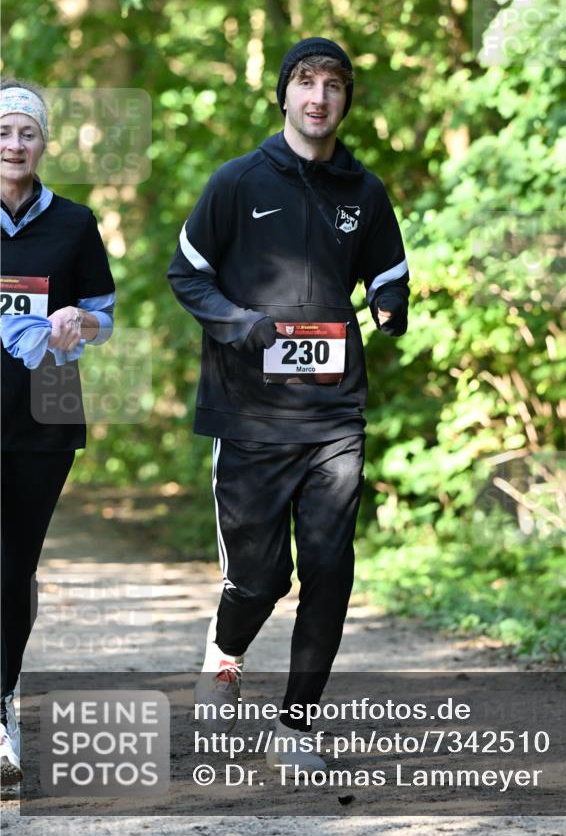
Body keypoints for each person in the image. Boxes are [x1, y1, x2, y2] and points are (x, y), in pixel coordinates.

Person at [168, 38, 408, 773]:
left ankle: (297, 727)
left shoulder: (362, 192)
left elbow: (388, 268)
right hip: (249, 416)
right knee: (259, 579)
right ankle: (225, 656)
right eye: (305, 82)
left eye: (333, 85)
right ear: (284, 94)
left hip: (334, 416)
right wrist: (240, 325)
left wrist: (389, 304)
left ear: (344, 101)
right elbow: (188, 274)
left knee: (331, 570)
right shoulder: (237, 182)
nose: (318, 97)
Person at [0, 79, 116, 785]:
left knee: (14, 568)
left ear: (44, 143)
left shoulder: (73, 224)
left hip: (44, 414)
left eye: (26, 133)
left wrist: (82, 322)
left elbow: (105, 316)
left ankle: (2, 696)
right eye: (3, 132)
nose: (14, 145)